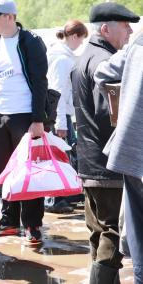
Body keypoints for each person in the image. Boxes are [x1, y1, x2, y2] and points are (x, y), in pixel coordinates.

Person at [70, 2, 139, 282]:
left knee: (99, 232)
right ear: (106, 29)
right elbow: (110, 115)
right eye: (124, 26)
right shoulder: (103, 61)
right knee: (112, 231)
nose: (130, 31)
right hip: (105, 163)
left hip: (88, 161)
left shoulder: (84, 55)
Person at [0, 0, 48, 244]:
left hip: (26, 117)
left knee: (29, 172)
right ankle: (8, 220)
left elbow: (40, 83)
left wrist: (38, 119)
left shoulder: (30, 42)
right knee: (5, 172)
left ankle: (32, 224)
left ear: (10, 17)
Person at [94, 31, 143, 284]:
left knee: (138, 224)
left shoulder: (138, 41)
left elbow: (102, 73)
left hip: (133, 146)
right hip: (133, 148)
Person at [45, 20, 88, 214]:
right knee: (60, 157)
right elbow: (58, 92)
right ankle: (56, 198)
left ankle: (64, 195)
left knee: (62, 157)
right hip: (58, 116)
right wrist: (61, 122)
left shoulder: (61, 55)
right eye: (80, 40)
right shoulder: (62, 59)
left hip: (59, 115)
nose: (80, 44)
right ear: (74, 36)